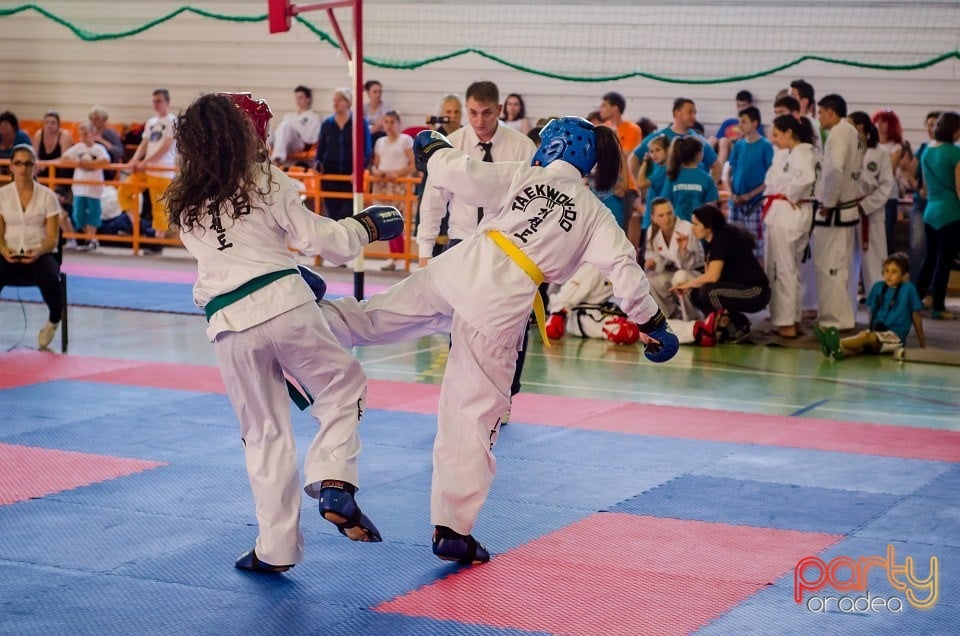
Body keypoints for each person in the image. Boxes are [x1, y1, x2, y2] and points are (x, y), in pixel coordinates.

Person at [320, 118, 679, 564]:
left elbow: (462, 174)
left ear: (555, 146)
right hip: (500, 308)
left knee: (372, 318)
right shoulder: (594, 214)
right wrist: (654, 322)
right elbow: (625, 275)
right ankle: (452, 529)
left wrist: (434, 146)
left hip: (459, 270)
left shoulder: (522, 175)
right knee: (471, 416)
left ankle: (304, 317)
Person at [165, 92, 404, 573]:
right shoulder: (263, 178)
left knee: (263, 435)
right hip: (285, 305)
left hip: (228, 326)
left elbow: (236, 253)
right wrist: (365, 228)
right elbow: (321, 240)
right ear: (246, 136)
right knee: (342, 385)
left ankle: (275, 551)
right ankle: (335, 479)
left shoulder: (182, 201)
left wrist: (287, 269)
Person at [415, 81, 538, 421]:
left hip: (509, 248)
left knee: (513, 324)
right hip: (463, 241)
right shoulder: (451, 146)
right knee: (461, 321)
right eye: (472, 113)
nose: (479, 121)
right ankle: (461, 391)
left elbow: (534, 202)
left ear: (499, 110)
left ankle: (506, 395)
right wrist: (424, 252)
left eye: (486, 113)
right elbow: (432, 202)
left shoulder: (521, 147)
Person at [673, 204, 770, 343]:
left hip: (756, 291)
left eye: (696, 224)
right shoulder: (709, 241)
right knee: (697, 293)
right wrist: (691, 285)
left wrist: (687, 284)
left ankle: (735, 329)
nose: (692, 227)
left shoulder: (723, 238)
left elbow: (713, 276)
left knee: (709, 292)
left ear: (708, 226)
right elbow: (708, 274)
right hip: (736, 287)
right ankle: (732, 324)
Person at [0, 144, 63, 348]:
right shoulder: (2, 195)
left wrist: (37, 251)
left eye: (28, 164)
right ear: (11, 167)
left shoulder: (48, 196)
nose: (23, 169)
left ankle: (54, 320)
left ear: (35, 167)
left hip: (40, 252)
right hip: (9, 251)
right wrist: (3, 250)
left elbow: (53, 237)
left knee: (50, 277)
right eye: (18, 163)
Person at [763, 114, 819, 339]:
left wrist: (791, 196)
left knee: (783, 270)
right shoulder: (792, 154)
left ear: (789, 133)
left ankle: (786, 322)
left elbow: (804, 181)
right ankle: (791, 318)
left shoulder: (802, 153)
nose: (773, 140)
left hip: (788, 214)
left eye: (776, 135)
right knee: (789, 270)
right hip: (786, 214)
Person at [813, 94, 864, 332]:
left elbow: (835, 170)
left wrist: (828, 202)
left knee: (830, 266)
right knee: (841, 267)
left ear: (831, 112)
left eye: (821, 112)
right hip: (847, 208)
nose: (819, 117)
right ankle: (842, 317)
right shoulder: (852, 132)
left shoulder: (838, 134)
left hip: (836, 211)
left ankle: (834, 320)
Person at [814, 253, 925, 359]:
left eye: (894, 272)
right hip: (877, 332)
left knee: (865, 338)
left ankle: (835, 342)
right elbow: (873, 313)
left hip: (895, 337)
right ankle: (840, 350)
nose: (889, 275)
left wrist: (922, 345)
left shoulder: (909, 289)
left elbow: (917, 317)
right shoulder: (878, 287)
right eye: (886, 271)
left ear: (904, 275)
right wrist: (870, 330)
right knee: (863, 339)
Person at [118, 88, 177, 238]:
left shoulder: (173, 121)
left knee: (159, 207)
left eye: (159, 101)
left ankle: (158, 240)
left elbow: (166, 146)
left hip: (162, 169)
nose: (155, 104)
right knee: (123, 192)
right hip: (146, 169)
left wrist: (145, 161)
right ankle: (138, 226)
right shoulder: (151, 122)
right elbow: (144, 143)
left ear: (167, 102)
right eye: (154, 101)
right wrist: (134, 160)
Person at [917, 111, 960, 320]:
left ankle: (915, 300)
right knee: (945, 262)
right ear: (955, 131)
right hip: (951, 212)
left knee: (930, 259)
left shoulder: (926, 151)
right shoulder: (956, 153)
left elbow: (924, 188)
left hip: (930, 211)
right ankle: (938, 306)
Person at [848, 111, 894, 297]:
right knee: (848, 262)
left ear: (862, 128)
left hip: (872, 213)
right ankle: (847, 309)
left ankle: (879, 305)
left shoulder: (880, 153)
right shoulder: (846, 151)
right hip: (849, 211)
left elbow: (886, 186)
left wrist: (865, 205)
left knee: (874, 262)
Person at [722, 106, 774, 262]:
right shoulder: (738, 145)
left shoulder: (765, 146)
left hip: (754, 205)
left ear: (755, 123)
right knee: (733, 241)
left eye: (744, 122)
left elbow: (770, 178)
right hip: (736, 202)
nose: (740, 125)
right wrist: (732, 193)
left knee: (756, 246)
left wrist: (751, 195)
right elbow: (730, 171)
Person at [315, 87, 372, 222]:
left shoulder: (359, 122)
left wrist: (359, 170)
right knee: (332, 216)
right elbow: (320, 148)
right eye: (334, 100)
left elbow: (367, 149)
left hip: (350, 177)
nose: (335, 103)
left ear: (348, 102)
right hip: (330, 175)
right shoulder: (327, 124)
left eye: (339, 100)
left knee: (347, 215)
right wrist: (318, 163)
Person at [629, 98, 720, 183]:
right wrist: (641, 186)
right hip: (663, 196)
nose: (694, 117)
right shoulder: (658, 137)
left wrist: (709, 191)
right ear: (677, 113)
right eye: (690, 112)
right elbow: (634, 158)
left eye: (695, 113)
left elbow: (717, 166)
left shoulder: (699, 140)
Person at [644, 197, 704, 320]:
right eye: (661, 215)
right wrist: (653, 263)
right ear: (653, 218)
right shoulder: (652, 231)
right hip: (673, 271)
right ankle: (670, 316)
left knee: (680, 276)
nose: (666, 219)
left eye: (669, 213)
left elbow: (687, 266)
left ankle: (692, 318)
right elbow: (657, 258)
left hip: (696, 273)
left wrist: (683, 251)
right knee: (651, 280)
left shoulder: (686, 229)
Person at [370, 110, 415, 270]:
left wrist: (396, 174)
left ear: (398, 123)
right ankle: (393, 256)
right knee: (385, 219)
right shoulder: (380, 142)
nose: (389, 125)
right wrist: (377, 172)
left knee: (398, 220)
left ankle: (402, 256)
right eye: (386, 122)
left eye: (392, 122)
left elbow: (412, 164)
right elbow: (376, 164)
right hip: (383, 184)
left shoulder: (405, 140)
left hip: (399, 184)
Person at [60, 123, 111, 251]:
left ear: (93, 135)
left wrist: (89, 164)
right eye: (80, 135)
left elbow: (105, 161)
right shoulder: (78, 148)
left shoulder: (99, 149)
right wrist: (77, 162)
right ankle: (88, 236)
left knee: (94, 213)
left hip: (94, 188)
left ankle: (91, 238)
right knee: (78, 214)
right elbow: (65, 158)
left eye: (86, 134)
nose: (83, 137)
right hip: (79, 188)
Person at [662, 136, 719, 222]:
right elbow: (711, 206)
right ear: (699, 154)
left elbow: (665, 201)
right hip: (699, 225)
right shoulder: (707, 179)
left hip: (677, 224)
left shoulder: (672, 176)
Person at [872, 109, 905, 255]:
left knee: (886, 234)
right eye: (877, 120)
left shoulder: (896, 147)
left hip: (888, 195)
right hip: (870, 194)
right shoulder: (871, 145)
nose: (879, 124)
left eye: (883, 121)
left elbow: (889, 171)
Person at [268, 85, 322, 165]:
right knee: (268, 127)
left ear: (308, 99)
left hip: (299, 144)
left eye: (301, 97)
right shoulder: (289, 115)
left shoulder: (313, 117)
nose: (298, 100)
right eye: (297, 98)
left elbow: (313, 138)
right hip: (284, 143)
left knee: (286, 125)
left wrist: (296, 128)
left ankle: (277, 159)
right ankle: (262, 151)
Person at [363, 80, 392, 144]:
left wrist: (364, 134)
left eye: (380, 91)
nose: (378, 94)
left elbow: (378, 126)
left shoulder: (386, 108)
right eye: (375, 92)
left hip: (380, 137)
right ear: (368, 93)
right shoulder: (364, 107)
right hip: (367, 135)